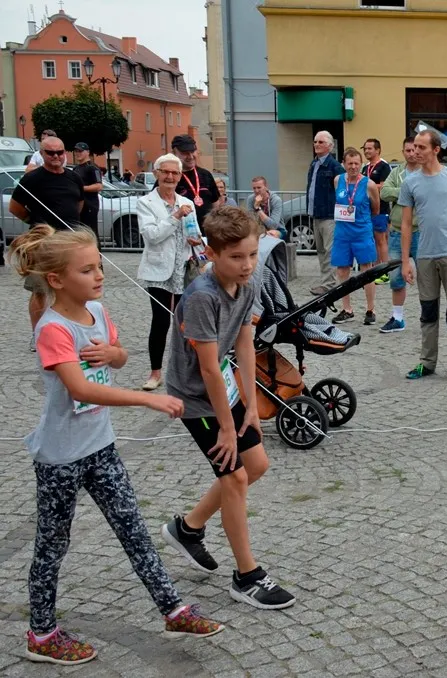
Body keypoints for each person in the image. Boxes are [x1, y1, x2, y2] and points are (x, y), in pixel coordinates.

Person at [7, 225, 223, 666]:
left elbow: (120, 354)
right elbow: (81, 389)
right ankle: (42, 634)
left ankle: (172, 609)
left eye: (99, 265)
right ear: (57, 280)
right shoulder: (53, 329)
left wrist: (113, 355)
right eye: (87, 270)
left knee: (134, 530)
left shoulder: (98, 312)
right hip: (60, 457)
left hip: (100, 447)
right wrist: (148, 399)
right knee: (52, 544)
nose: (99, 275)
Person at [160, 206, 296, 610]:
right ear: (212, 253)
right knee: (235, 477)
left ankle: (187, 529)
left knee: (256, 465)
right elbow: (206, 368)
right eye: (236, 257)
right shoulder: (202, 297)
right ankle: (247, 577)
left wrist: (251, 405)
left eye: (252, 254)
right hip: (194, 397)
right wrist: (225, 426)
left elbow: (244, 343)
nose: (247, 264)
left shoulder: (247, 285)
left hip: (224, 389)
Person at [399, 129, 447, 382]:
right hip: (425, 255)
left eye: (422, 147)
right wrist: (405, 261)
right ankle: (427, 362)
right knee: (428, 311)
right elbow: (406, 224)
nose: (416, 152)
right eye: (414, 147)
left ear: (436, 150)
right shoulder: (410, 182)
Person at [9, 135, 84, 339]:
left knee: (72, 287)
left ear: (65, 153)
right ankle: (38, 334)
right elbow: (15, 207)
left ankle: (70, 331)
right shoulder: (32, 179)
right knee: (40, 289)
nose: (56, 156)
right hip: (42, 241)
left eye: (59, 152)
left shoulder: (73, 177)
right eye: (50, 153)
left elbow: (79, 203)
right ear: (42, 154)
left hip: (70, 240)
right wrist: (34, 223)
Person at [137, 153, 196, 392]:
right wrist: (175, 217)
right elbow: (152, 235)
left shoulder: (187, 202)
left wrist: (197, 241)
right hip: (158, 269)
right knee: (160, 321)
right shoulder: (146, 202)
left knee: (184, 323)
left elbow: (193, 233)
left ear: (180, 176)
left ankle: (185, 371)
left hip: (184, 268)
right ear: (156, 174)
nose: (170, 176)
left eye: (174, 173)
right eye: (165, 172)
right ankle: (155, 373)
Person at [331, 147, 380, 325]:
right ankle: (347, 309)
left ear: (361, 164)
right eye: (350, 163)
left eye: (356, 163)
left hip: (362, 232)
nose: (353, 167)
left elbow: (376, 209)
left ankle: (370, 309)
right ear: (344, 164)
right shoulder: (338, 180)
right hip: (342, 233)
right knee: (342, 271)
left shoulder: (369, 184)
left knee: (367, 270)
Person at [379, 135, 419, 333]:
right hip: (396, 231)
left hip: (421, 231)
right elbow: (384, 193)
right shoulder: (397, 172)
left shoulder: (425, 172)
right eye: (408, 150)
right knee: (395, 276)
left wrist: (403, 192)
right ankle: (397, 317)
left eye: (414, 150)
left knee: (428, 277)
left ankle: (429, 316)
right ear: (403, 152)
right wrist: (405, 191)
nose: (411, 154)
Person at [307, 130, 344, 296]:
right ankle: (325, 282)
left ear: (330, 146)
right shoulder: (314, 164)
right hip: (316, 214)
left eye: (320, 142)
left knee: (329, 251)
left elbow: (342, 191)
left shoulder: (335, 166)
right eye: (315, 142)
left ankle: (329, 284)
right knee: (321, 250)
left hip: (329, 215)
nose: (317, 144)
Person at [361, 138, 392, 283]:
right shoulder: (365, 167)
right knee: (371, 240)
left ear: (378, 150)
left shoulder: (384, 166)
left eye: (369, 148)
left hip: (380, 209)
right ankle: (375, 270)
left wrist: (368, 186)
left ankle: (385, 272)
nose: (366, 151)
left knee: (381, 240)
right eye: (365, 149)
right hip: (366, 210)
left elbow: (384, 186)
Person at [171, 135, 218, 227]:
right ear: (174, 154)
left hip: (207, 231)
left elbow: (215, 204)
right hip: (182, 231)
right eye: (185, 153)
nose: (190, 156)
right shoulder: (169, 178)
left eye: (193, 151)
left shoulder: (206, 174)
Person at [71, 142, 103, 240]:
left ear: (87, 152)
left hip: (90, 204)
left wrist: (81, 188)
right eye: (76, 151)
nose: (77, 153)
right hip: (78, 204)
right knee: (79, 232)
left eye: (80, 151)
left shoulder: (93, 168)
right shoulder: (76, 168)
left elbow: (99, 186)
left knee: (91, 232)